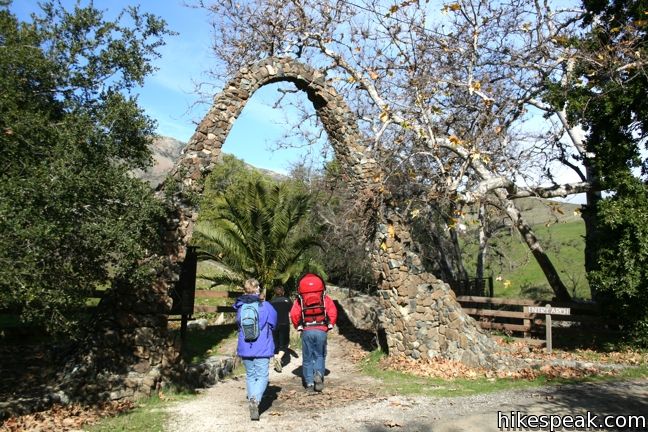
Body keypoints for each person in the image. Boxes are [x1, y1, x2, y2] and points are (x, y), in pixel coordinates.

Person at [233, 278, 277, 421]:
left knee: (251, 375)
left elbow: (238, 325)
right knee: (263, 375)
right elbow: (274, 323)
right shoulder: (265, 306)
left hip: (245, 347)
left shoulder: (240, 307)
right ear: (257, 289)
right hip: (262, 347)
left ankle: (252, 399)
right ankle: (255, 401)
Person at [289, 273, 338, 394]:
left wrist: (298, 326)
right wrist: (330, 324)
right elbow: (333, 311)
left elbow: (294, 314)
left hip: (307, 330)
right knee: (320, 355)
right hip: (321, 329)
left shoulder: (300, 300)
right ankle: (319, 374)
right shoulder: (324, 298)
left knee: (307, 358)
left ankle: (310, 383)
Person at [269, 285, 292, 373]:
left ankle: (276, 358)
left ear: (275, 293)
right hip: (284, 324)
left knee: (275, 343)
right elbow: (292, 312)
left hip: (274, 325)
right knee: (284, 343)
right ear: (283, 292)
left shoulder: (271, 302)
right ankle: (278, 358)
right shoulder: (288, 301)